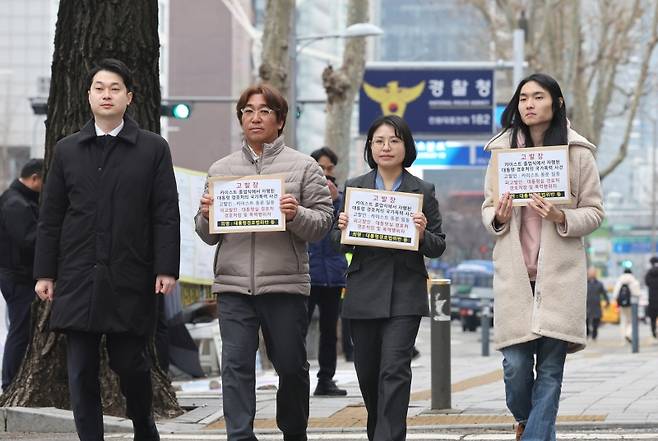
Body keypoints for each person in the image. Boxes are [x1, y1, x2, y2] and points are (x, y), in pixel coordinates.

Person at [33, 58, 180, 441]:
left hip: (130, 275)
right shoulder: (68, 150)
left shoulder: (152, 149)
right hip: (78, 276)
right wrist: (45, 273)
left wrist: (166, 268)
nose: (106, 95)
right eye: (99, 88)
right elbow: (51, 216)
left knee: (131, 364)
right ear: (88, 96)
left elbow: (165, 213)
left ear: (129, 97)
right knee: (80, 372)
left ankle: (144, 426)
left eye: (115, 88)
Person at [195, 83, 333, 441]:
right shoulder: (221, 169)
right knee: (236, 367)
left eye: (264, 111)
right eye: (247, 112)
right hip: (233, 286)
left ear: (280, 119)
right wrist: (207, 214)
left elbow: (322, 225)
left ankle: (293, 432)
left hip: (284, 285)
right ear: (240, 118)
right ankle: (239, 435)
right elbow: (207, 233)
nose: (255, 118)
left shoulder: (304, 167)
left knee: (290, 366)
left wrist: (296, 213)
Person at [481, 73, 604, 441]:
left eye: (537, 97)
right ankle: (525, 420)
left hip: (559, 277)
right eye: (523, 98)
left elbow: (595, 212)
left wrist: (561, 216)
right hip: (515, 277)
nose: (529, 104)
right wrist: (499, 216)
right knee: (515, 366)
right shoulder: (503, 152)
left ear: (556, 103)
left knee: (550, 371)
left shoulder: (577, 153)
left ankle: (533, 434)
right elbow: (489, 209)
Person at [334, 114, 446, 441]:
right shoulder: (355, 187)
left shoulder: (422, 190)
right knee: (369, 375)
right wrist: (342, 229)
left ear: (406, 147)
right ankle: (378, 431)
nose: (386, 147)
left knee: (395, 370)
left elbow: (438, 245)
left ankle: (389, 436)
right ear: (370, 147)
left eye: (394, 141)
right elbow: (334, 243)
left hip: (405, 292)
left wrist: (423, 232)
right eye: (379, 141)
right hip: (363, 292)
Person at [307, 147, 348, 396]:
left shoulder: (343, 199)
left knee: (329, 333)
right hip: (306, 275)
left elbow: (342, 236)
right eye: (321, 167)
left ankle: (326, 380)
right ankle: (296, 378)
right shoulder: (302, 196)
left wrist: (334, 203)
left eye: (330, 168)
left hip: (333, 277)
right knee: (297, 330)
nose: (326, 173)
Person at [0, 158, 43, 390]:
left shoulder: (20, 199)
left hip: (18, 275)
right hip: (17, 277)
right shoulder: (16, 203)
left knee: (22, 327)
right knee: (20, 329)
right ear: (34, 178)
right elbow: (29, 239)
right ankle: (9, 383)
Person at [613, 268, 641, 343]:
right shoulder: (634, 281)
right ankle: (628, 334)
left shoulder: (619, 281)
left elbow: (615, 295)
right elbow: (638, 294)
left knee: (623, 321)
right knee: (632, 321)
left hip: (622, 305)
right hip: (632, 305)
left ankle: (623, 338)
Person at [586, 267, 609, 341]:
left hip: (596, 306)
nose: (592, 274)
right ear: (588, 273)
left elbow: (604, 293)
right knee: (586, 321)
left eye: (593, 272)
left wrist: (607, 302)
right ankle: (587, 333)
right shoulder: (584, 283)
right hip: (587, 306)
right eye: (590, 272)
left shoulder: (599, 284)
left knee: (596, 322)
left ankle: (594, 336)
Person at [644, 256, 658, 338]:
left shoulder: (649, 273)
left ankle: (653, 331)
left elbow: (646, 283)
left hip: (652, 299)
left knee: (653, 318)